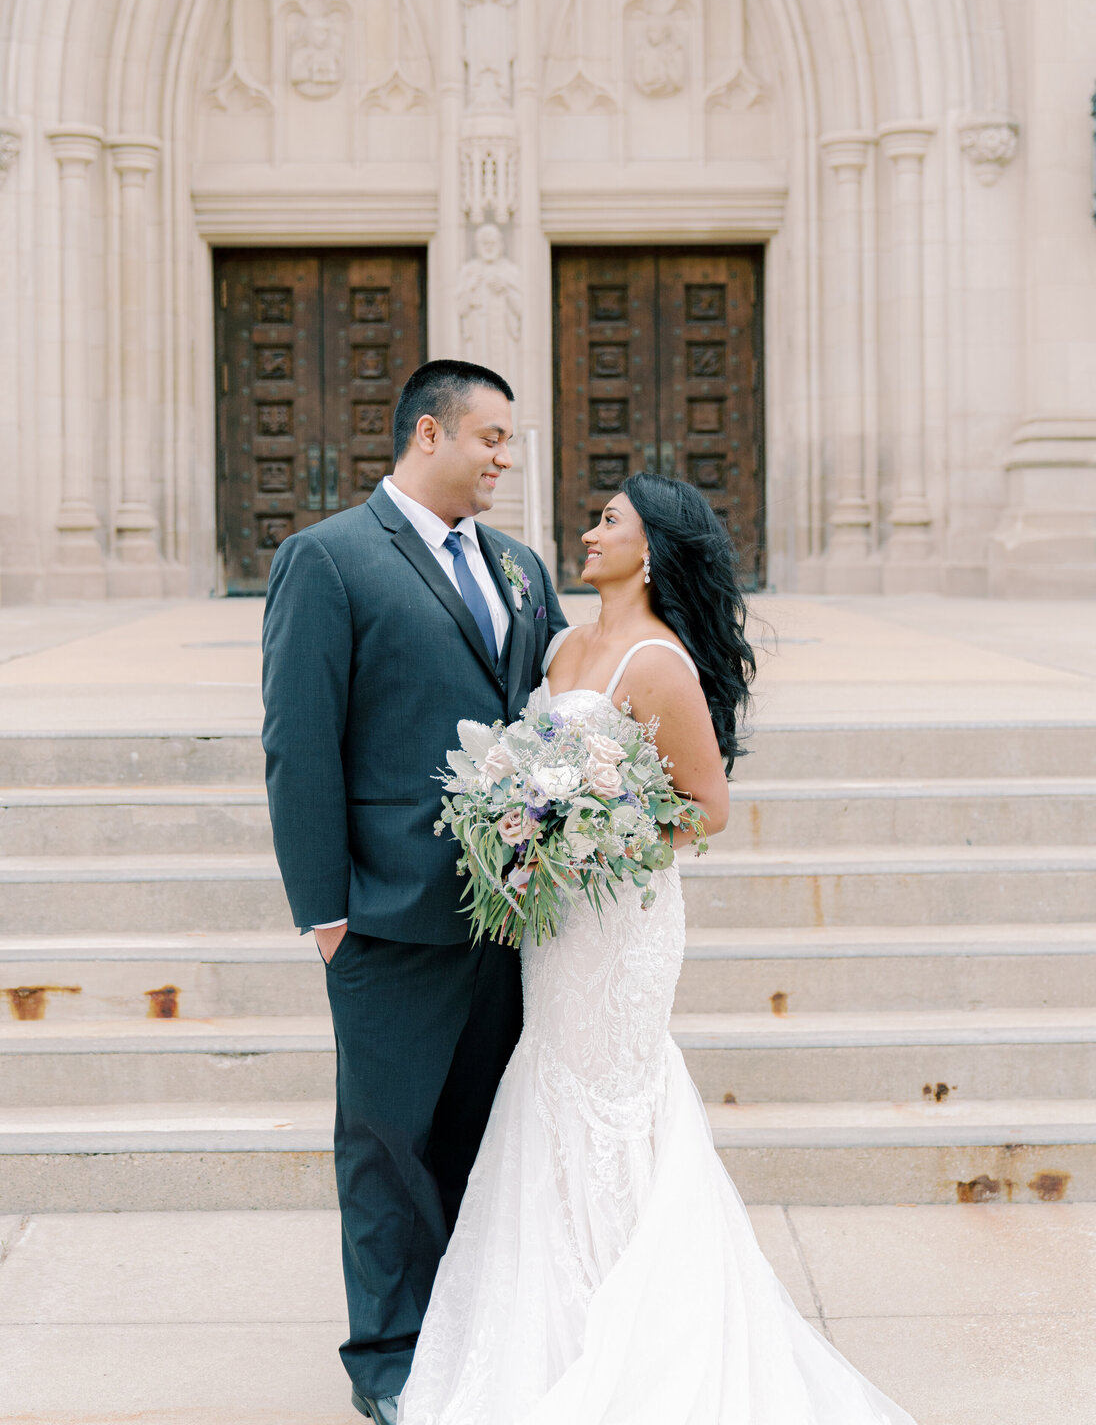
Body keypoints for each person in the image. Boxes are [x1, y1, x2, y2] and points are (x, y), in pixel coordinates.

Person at [399, 473, 917, 1425]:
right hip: (555, 927)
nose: (588, 533)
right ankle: (556, 1319)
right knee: (548, 1083)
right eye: (596, 520)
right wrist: (522, 828)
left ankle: (640, 1324)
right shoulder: (560, 644)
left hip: (623, 926)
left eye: (610, 522)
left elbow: (707, 811)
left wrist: (586, 836)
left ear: (654, 551)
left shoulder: (658, 661)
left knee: (612, 1100)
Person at [262, 359, 569, 1425]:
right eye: (491, 438)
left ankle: (473, 1336)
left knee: (482, 1138)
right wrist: (326, 910)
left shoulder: (522, 568)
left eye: (510, 442)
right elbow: (299, 745)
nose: (505, 459)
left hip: (508, 918)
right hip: (387, 917)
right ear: (429, 435)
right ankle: (389, 1358)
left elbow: (546, 719)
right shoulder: (330, 560)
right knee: (386, 1146)